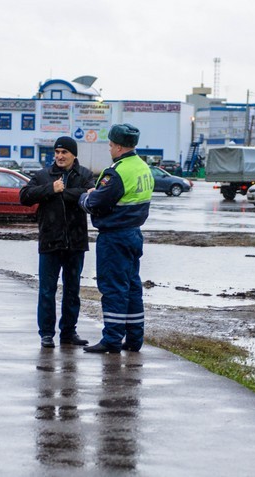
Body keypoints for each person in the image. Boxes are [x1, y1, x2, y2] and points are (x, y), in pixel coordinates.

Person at [79, 123, 153, 353]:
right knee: (132, 288)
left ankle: (111, 339)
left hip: (114, 237)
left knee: (113, 288)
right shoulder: (142, 167)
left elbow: (96, 203)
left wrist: (84, 197)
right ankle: (134, 339)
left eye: (111, 145)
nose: (109, 149)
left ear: (119, 147)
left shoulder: (118, 171)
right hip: (134, 233)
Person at [20, 136, 95, 349]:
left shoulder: (85, 175)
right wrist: (50, 189)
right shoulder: (44, 175)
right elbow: (24, 196)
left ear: (74, 155)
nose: (60, 156)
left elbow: (91, 194)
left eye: (65, 153)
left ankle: (69, 332)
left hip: (76, 242)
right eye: (57, 152)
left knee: (72, 291)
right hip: (50, 241)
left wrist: (65, 194)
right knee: (47, 290)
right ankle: (46, 334)